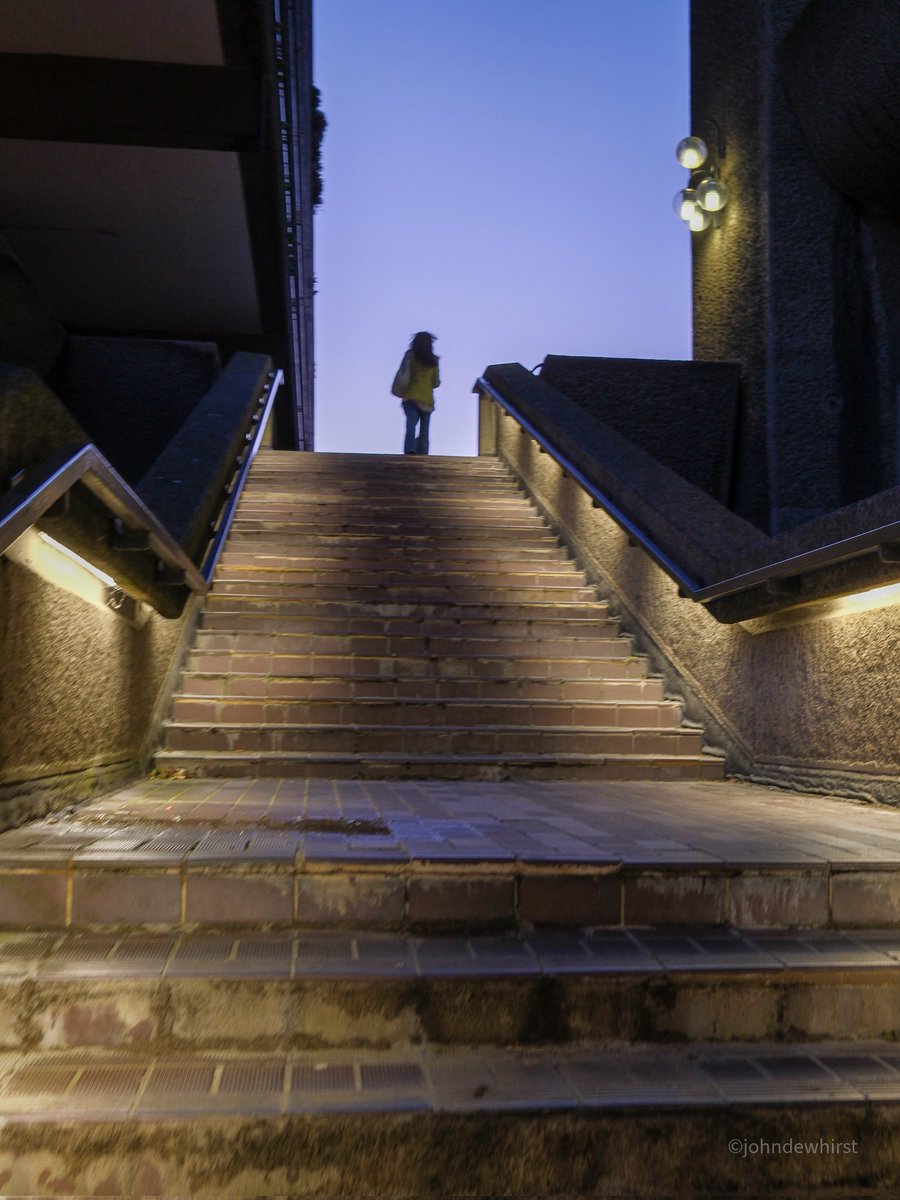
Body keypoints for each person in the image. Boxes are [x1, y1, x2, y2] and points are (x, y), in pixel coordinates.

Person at [393, 331, 440, 454]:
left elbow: (403, 373)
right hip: (427, 400)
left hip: (410, 397)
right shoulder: (434, 361)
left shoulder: (410, 356)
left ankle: (410, 449)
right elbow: (436, 382)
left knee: (411, 424)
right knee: (424, 429)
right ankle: (423, 453)